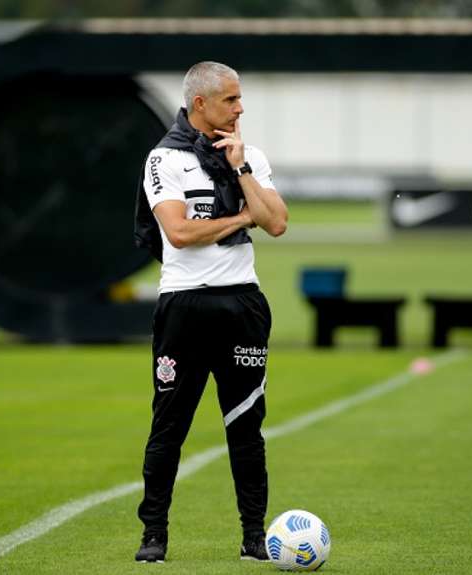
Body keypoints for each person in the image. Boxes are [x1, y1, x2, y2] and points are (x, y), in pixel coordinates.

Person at [132, 61, 288, 564]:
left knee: (246, 426)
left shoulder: (251, 157)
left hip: (242, 302)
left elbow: (278, 223)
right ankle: (153, 534)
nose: (241, 109)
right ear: (200, 104)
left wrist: (241, 169)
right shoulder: (164, 160)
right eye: (231, 100)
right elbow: (178, 234)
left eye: (241, 99)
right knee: (169, 427)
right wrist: (244, 217)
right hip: (184, 304)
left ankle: (253, 537)